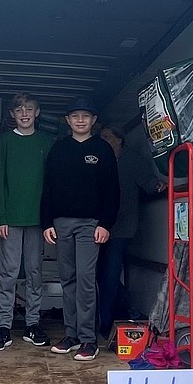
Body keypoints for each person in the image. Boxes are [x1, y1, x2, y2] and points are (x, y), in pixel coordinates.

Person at [41, 97, 119, 361]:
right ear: (68, 120)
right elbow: (48, 189)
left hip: (91, 224)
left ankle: (88, 339)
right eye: (75, 116)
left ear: (94, 121)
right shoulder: (58, 149)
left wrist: (106, 224)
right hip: (61, 223)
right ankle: (71, 335)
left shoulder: (103, 149)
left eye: (86, 116)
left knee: (86, 280)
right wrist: (46, 223)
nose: (80, 120)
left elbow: (112, 191)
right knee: (68, 280)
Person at [0, 93, 55, 352]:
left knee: (35, 272)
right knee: (8, 273)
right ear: (12, 115)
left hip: (38, 219)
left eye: (29, 109)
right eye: (19, 110)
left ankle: (32, 323)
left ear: (37, 112)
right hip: (11, 219)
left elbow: (51, 184)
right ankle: (3, 325)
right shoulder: (3, 141)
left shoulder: (47, 141)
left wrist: (50, 218)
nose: (24, 113)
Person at [97, 124, 165, 338]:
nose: (104, 140)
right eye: (101, 137)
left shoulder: (132, 159)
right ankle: (125, 307)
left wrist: (157, 185)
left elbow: (148, 181)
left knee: (109, 274)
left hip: (122, 227)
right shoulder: (99, 159)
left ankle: (106, 323)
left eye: (107, 136)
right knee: (100, 274)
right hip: (99, 226)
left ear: (120, 139)